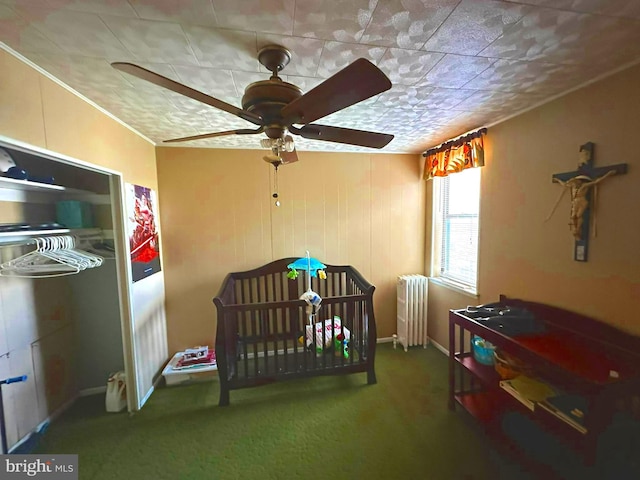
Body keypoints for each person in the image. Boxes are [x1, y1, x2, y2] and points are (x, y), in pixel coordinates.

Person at [552, 170, 616, 240]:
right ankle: (575, 229)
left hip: (582, 201)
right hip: (575, 202)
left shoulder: (584, 186)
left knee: (579, 215)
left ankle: (578, 229)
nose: (577, 182)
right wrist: (558, 180)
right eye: (576, 181)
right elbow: (564, 184)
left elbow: (596, 182)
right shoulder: (573, 186)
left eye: (579, 181)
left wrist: (608, 174)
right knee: (573, 216)